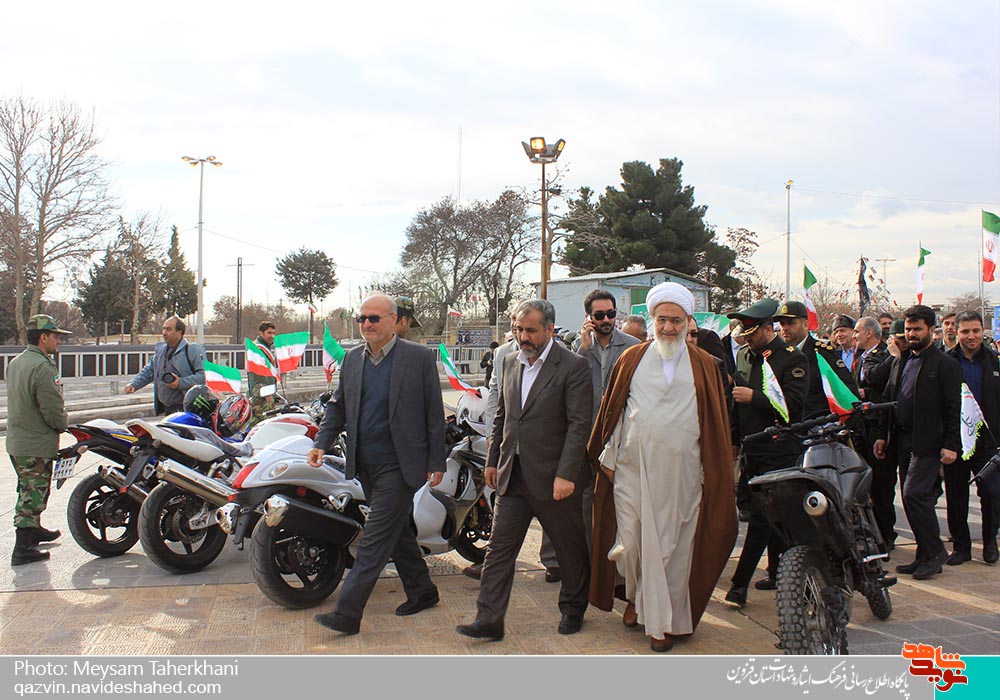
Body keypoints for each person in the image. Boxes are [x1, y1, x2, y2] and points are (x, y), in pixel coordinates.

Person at [588, 283, 737, 652]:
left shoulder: (705, 365)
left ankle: (663, 622)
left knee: (671, 548)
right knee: (632, 544)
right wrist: (607, 458)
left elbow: (715, 423)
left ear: (688, 323)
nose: (668, 327)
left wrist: (714, 471)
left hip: (682, 475)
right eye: (662, 320)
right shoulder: (631, 358)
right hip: (632, 468)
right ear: (652, 320)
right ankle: (636, 599)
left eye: (676, 320)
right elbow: (614, 412)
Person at [308, 294, 446, 635]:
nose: (366, 324)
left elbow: (433, 411)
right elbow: (338, 406)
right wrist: (321, 443)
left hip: (401, 465)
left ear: (393, 320)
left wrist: (436, 460)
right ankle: (423, 590)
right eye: (362, 318)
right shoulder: (353, 359)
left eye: (374, 318)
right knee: (396, 531)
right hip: (365, 463)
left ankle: (348, 613)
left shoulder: (418, 358)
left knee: (375, 538)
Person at [457, 299, 593, 641]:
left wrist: (566, 474)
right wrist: (493, 460)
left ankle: (573, 607)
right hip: (512, 475)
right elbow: (502, 416)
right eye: (518, 329)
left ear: (549, 329)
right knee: (499, 550)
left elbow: (579, 426)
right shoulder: (509, 361)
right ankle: (489, 619)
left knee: (568, 548)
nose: (523, 337)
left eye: (530, 330)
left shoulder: (573, 366)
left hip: (554, 478)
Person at [538, 290, 638, 583]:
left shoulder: (632, 347)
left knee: (614, 504)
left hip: (618, 437)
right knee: (565, 499)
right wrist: (583, 349)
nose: (606, 320)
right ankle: (555, 561)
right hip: (579, 436)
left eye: (611, 314)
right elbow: (563, 385)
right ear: (588, 318)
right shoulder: (574, 349)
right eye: (599, 315)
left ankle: (610, 566)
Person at [726, 299, 809, 607]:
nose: (748, 340)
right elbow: (736, 403)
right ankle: (778, 573)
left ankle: (739, 586)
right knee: (775, 518)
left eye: (752, 334)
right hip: (753, 449)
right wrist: (735, 439)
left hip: (779, 450)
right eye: (744, 335)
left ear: (766, 328)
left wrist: (755, 397)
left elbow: (793, 407)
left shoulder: (791, 359)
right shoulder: (744, 355)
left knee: (762, 518)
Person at [869, 305, 961, 580]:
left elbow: (954, 408)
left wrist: (951, 444)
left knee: (914, 494)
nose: (911, 334)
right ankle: (924, 554)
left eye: (917, 329)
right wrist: (883, 435)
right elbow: (891, 398)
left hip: (929, 441)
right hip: (901, 438)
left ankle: (935, 553)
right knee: (911, 498)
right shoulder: (904, 360)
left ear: (931, 330)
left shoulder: (945, 364)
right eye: (908, 329)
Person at [6, 315, 72, 566]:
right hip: (35, 443)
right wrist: (63, 424)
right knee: (32, 494)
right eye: (55, 336)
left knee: (28, 487)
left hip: (17, 441)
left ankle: (34, 530)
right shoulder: (43, 367)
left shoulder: (16, 362)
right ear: (43, 337)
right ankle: (23, 548)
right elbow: (52, 408)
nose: (58, 341)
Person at [944, 311, 1000, 565]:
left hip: (988, 441)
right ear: (956, 332)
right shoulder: (945, 362)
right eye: (965, 331)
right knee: (956, 496)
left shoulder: (994, 360)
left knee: (991, 493)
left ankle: (990, 542)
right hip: (956, 441)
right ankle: (961, 548)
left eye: (976, 331)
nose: (971, 336)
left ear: (982, 331)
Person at [853, 316, 897, 548]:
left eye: (857, 331)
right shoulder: (863, 356)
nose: (854, 336)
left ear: (869, 333)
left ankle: (886, 534)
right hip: (864, 426)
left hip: (880, 426)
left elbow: (876, 379)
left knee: (881, 486)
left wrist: (892, 357)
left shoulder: (885, 355)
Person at [774, 301, 858, 420]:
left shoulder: (823, 354)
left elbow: (846, 391)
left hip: (818, 423)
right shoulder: (779, 355)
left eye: (791, 323)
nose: (785, 328)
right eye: (782, 323)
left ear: (805, 324)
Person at [125, 316, 206, 415]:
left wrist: (180, 383)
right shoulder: (160, 351)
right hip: (166, 409)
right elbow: (149, 371)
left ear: (179, 332)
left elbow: (204, 377)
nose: (164, 333)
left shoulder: (193, 350)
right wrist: (133, 384)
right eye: (163, 329)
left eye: (168, 329)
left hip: (186, 409)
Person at [247, 321, 278, 427]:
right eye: (269, 333)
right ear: (261, 333)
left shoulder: (264, 347)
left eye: (273, 333)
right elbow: (257, 374)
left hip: (261, 394)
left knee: (255, 427)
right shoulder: (258, 348)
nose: (272, 336)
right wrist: (267, 393)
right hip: (262, 396)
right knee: (270, 427)